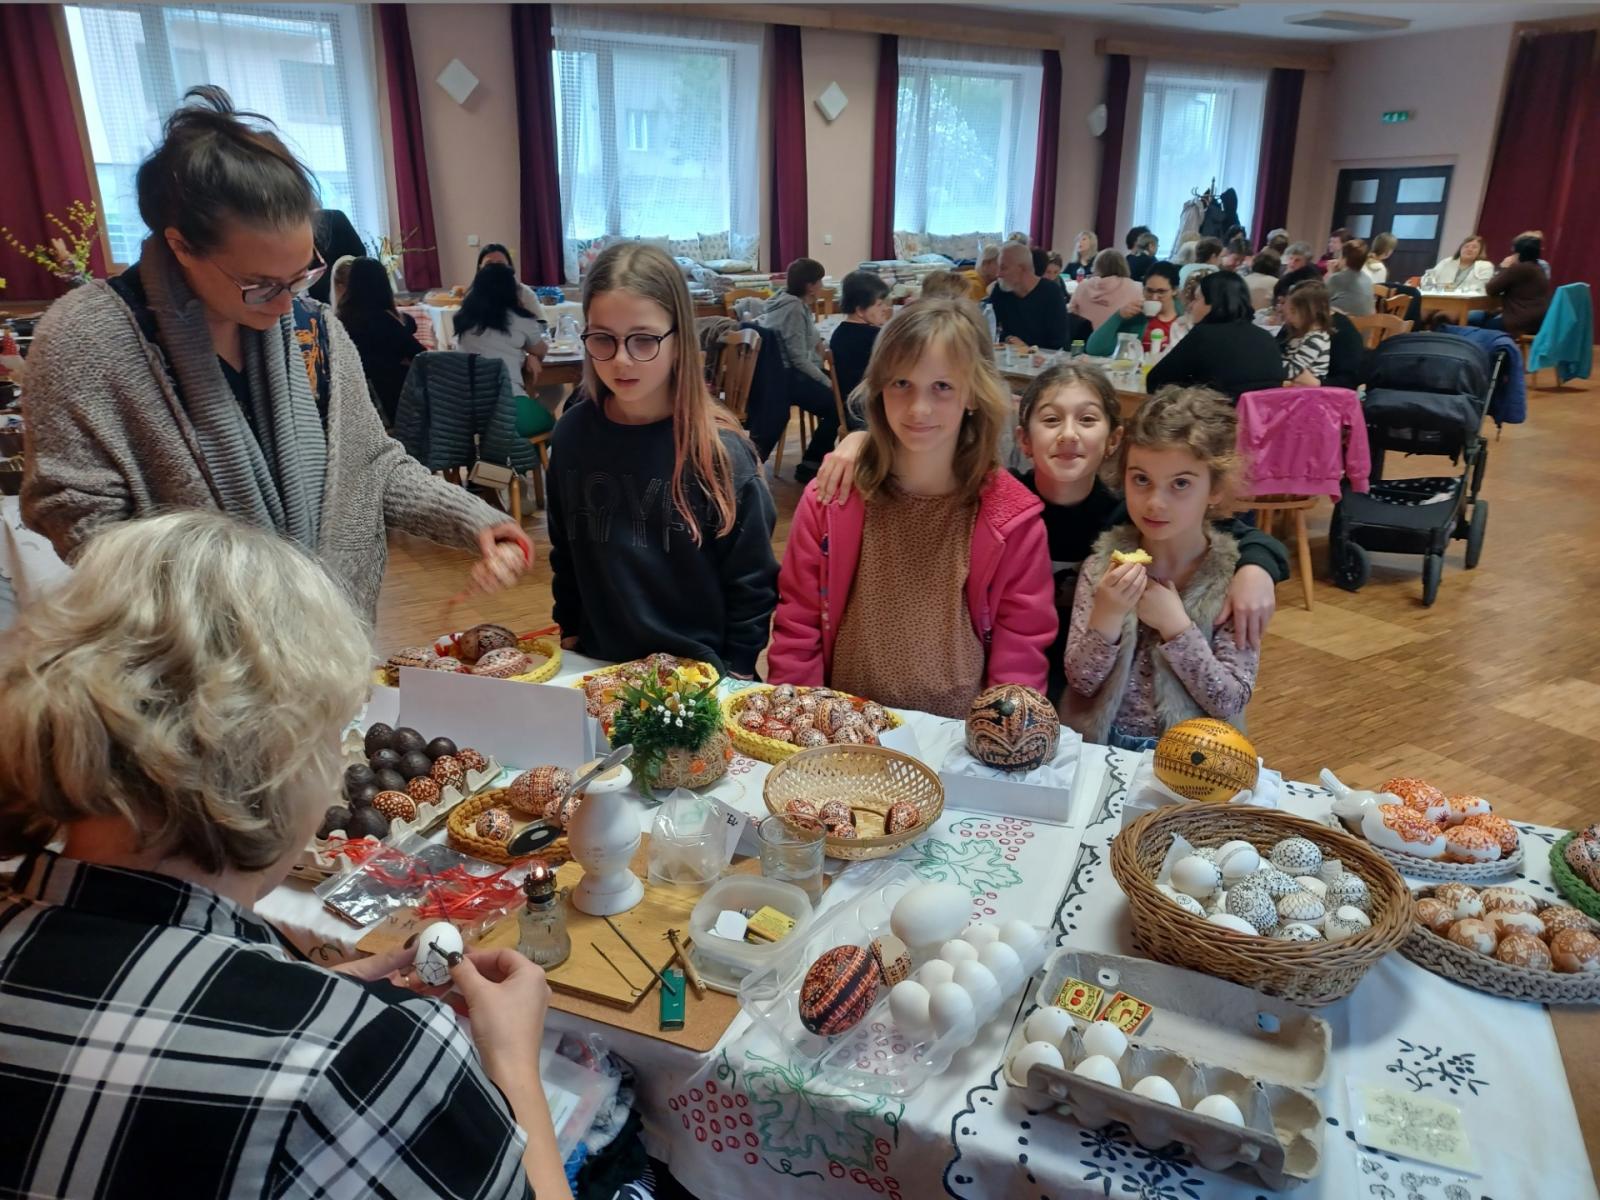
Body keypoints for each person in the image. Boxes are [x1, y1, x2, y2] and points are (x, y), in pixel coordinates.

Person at [0, 511, 572, 1200]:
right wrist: (514, 1072)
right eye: (336, 735)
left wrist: (305, 989)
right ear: (279, 762)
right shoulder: (360, 1065)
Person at [18, 86, 529, 621]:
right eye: (260, 284)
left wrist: (472, 516)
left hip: (326, 643)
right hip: (184, 660)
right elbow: (76, 514)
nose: (287, 304)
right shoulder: (87, 339)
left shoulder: (314, 329)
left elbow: (373, 468)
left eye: (302, 274)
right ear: (182, 246)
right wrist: (227, 597)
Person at [768, 301, 1055, 714]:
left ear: (973, 394)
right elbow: (798, 624)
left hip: (960, 739)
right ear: (880, 387)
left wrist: (1004, 735)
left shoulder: (1011, 517)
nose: (919, 409)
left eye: (942, 387)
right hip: (846, 729)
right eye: (902, 383)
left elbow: (1022, 645)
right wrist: (800, 720)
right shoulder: (831, 498)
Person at [547, 242, 777, 678]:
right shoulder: (573, 434)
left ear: (679, 339)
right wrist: (571, 630)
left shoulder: (721, 452)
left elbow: (752, 581)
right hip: (599, 668)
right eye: (602, 339)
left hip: (701, 679)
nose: (620, 360)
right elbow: (566, 553)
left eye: (644, 340)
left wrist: (737, 670)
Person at [1009, 364, 1283, 704]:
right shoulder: (1005, 507)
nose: (1069, 434)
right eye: (1051, 419)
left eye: (1088, 419)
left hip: (1103, 698)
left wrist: (1258, 568)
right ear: (1023, 439)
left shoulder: (1129, 511)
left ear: (1113, 440)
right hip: (1038, 682)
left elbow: (1231, 531)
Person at [1061, 386, 1257, 747]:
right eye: (1141, 480)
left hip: (1195, 761)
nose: (1155, 502)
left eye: (1180, 484)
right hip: (1099, 750)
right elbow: (1082, 682)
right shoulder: (1100, 565)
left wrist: (1176, 627)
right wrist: (1106, 615)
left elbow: (1229, 701)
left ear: (1215, 488)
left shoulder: (1234, 583)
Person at [760, 257, 843, 478]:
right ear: (810, 286)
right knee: (839, 406)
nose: (822, 286)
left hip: (784, 373)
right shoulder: (794, 309)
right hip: (789, 377)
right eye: (820, 281)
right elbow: (798, 359)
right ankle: (811, 463)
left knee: (840, 394)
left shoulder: (789, 301)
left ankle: (814, 460)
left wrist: (820, 345)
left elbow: (811, 335)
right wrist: (827, 382)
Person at [1145, 271, 1285, 402]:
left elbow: (1155, 381)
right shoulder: (1266, 338)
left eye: (1197, 299)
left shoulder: (1204, 335)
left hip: (1217, 423)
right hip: (1263, 424)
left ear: (1212, 304)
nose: (1192, 305)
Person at [455, 262, 554, 438]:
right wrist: (529, 353)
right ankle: (523, 461)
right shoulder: (519, 318)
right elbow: (541, 350)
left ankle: (499, 461)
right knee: (552, 425)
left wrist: (524, 354)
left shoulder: (463, 318)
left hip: (465, 412)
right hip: (509, 407)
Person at [336, 257, 427, 424]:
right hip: (392, 394)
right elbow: (419, 354)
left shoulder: (341, 317)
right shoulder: (384, 319)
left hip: (357, 392)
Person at [989, 242, 1085, 350]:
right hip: (1010, 358)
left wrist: (1028, 349)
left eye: (1003, 268)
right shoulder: (1001, 290)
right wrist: (1008, 338)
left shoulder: (1051, 293)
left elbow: (1058, 342)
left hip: (1044, 360)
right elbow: (989, 328)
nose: (998, 274)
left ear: (1022, 269)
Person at [1085, 262, 1188, 357]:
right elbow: (1094, 349)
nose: (1154, 297)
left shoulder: (1184, 320)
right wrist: (1118, 317)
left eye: (1161, 292)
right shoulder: (1136, 319)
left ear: (1174, 290)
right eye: (1149, 291)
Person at [831, 269, 893, 410]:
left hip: (849, 407)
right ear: (860, 310)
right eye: (879, 304)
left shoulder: (838, 333)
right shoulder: (876, 337)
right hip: (869, 410)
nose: (885, 308)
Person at [1474, 234, 1553, 335]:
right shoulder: (1538, 268)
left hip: (1518, 323)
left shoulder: (1519, 269)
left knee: (1474, 322)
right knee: (1482, 316)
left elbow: (1491, 289)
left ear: (1519, 254)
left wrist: (1503, 267)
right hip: (1536, 322)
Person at [1069, 249, 1144, 332]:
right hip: (1118, 340)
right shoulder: (1136, 288)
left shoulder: (1082, 286)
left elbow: (1072, 313)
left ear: (1096, 266)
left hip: (1084, 339)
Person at [1278, 279, 1334, 385]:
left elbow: (1292, 371)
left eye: (1293, 311)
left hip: (1307, 393)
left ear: (1310, 313)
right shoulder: (1298, 333)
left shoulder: (1315, 339)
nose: (1289, 317)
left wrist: (1268, 364)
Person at [476, 242, 549, 319]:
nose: (495, 269)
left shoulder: (524, 293)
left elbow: (541, 323)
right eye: (489, 264)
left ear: (509, 267)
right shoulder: (474, 295)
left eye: (500, 264)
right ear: (480, 267)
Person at [1422, 235, 1494, 292]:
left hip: (1465, 302)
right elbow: (1429, 277)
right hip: (1441, 297)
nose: (1469, 249)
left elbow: (1481, 288)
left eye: (1474, 247)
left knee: (1444, 311)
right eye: (1466, 246)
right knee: (1419, 307)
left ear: (1480, 251)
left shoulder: (1486, 266)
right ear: (1460, 249)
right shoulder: (1447, 262)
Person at [1324, 239, 1376, 316]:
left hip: (1342, 325)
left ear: (1345, 259)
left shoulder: (1336, 278)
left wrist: (1330, 272)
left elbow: (1321, 300)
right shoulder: (1367, 279)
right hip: (1366, 326)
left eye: (1340, 255)